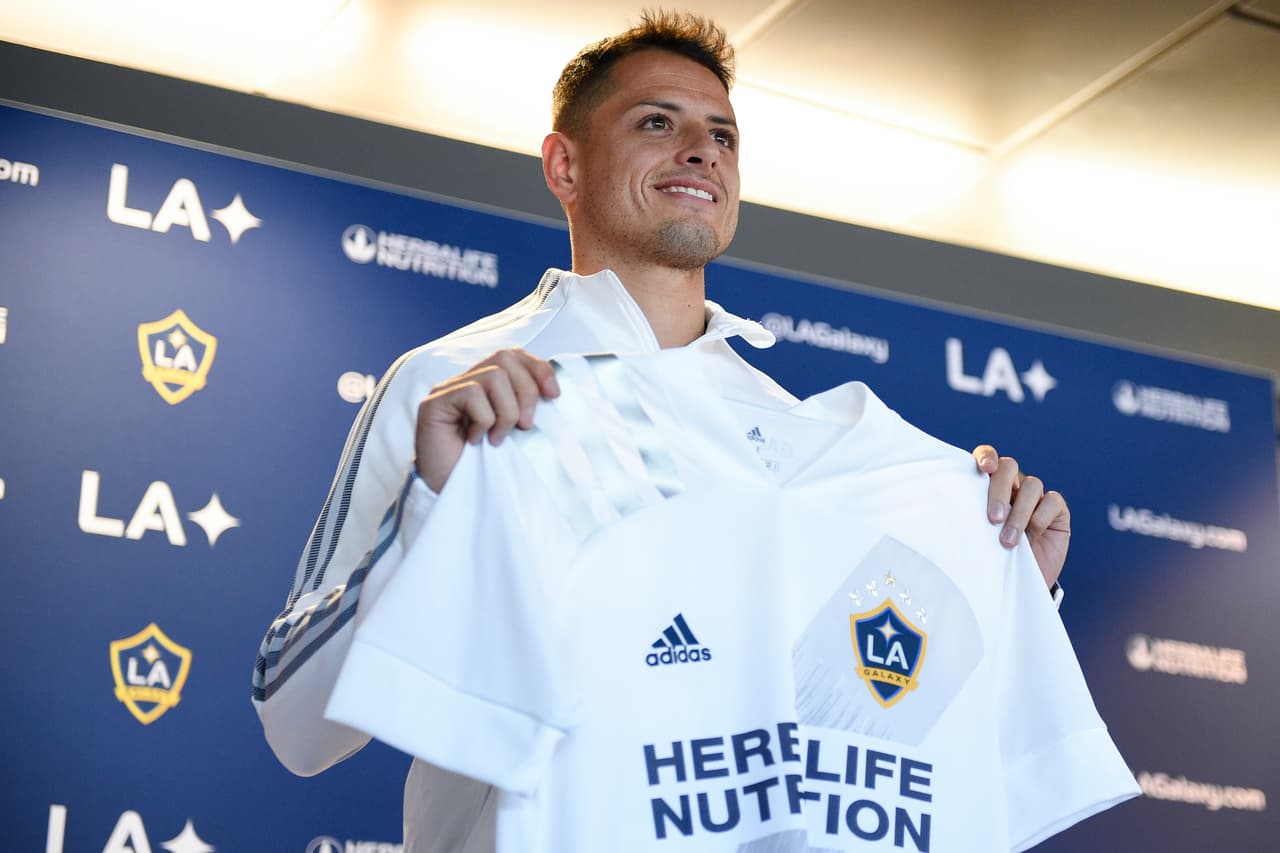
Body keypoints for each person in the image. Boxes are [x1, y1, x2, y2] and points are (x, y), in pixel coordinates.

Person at [254, 10, 1073, 850]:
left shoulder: (788, 433)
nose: (702, 151)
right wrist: (431, 505)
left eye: (723, 135)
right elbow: (298, 727)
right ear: (563, 165)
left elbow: (856, 719)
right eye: (658, 122)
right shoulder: (450, 390)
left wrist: (1000, 588)